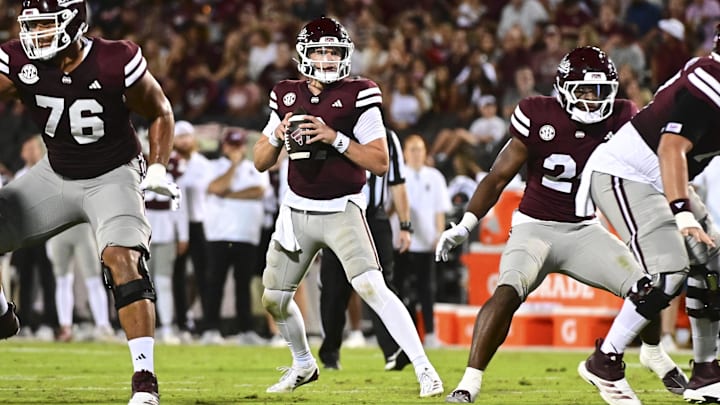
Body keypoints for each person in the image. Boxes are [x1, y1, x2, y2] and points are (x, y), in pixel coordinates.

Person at [435, 46, 685, 404]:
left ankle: (653, 352)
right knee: (506, 292)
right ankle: (469, 382)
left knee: (646, 288)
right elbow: (497, 177)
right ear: (564, 88)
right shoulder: (537, 114)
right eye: (583, 89)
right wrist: (465, 225)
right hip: (535, 227)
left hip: (585, 230)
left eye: (599, 91)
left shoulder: (622, 116)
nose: (591, 99)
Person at [253, 16, 443, 397]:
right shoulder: (286, 94)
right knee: (273, 299)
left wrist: (334, 137)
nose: (326, 58)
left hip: (342, 209)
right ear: (304, 55)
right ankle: (304, 364)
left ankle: (425, 369)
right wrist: (276, 134)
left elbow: (380, 162)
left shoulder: (361, 93)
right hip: (296, 210)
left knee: (373, 287)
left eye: (334, 51)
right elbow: (260, 161)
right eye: (320, 51)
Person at [0, 2, 179, 404]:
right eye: (32, 26)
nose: (35, 36)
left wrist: (158, 168)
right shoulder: (19, 60)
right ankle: (2, 315)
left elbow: (161, 111)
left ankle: (145, 380)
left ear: (74, 22)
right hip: (55, 173)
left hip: (112, 175)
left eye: (46, 25)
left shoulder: (115, 59)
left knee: (122, 258)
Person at [573, 26, 720, 404]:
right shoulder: (711, 79)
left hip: (664, 180)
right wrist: (683, 214)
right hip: (629, 173)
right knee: (669, 271)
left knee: (713, 264)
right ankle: (605, 360)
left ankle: (705, 371)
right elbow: (671, 148)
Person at [318, 127, 414, 371]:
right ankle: (330, 352)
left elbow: (398, 183)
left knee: (383, 285)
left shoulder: (387, 137)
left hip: (374, 217)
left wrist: (405, 225)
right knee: (333, 288)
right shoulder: (331, 130)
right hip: (337, 216)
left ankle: (393, 350)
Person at [203, 129, 268, 345]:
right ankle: (211, 329)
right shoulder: (213, 167)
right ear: (224, 147)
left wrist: (228, 194)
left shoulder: (255, 168)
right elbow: (214, 187)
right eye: (232, 145)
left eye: (239, 146)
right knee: (215, 283)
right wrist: (233, 166)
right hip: (218, 234)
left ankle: (246, 330)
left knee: (243, 285)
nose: (236, 150)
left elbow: (258, 191)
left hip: (247, 234)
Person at [397, 134, 451, 348]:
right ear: (404, 153)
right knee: (401, 289)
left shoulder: (435, 177)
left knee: (426, 289)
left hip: (426, 242)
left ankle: (429, 333)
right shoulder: (400, 176)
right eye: (412, 149)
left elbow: (440, 210)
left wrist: (438, 235)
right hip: (403, 242)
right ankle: (403, 337)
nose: (417, 154)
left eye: (420, 149)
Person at [48, 223, 115, 343]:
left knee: (93, 280)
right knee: (62, 280)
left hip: (82, 231)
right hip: (58, 232)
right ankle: (65, 326)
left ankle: (103, 325)